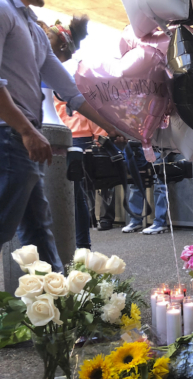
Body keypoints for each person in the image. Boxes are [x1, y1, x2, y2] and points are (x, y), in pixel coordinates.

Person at [0, 0, 118, 272]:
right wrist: (27, 131)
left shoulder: (34, 28)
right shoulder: (4, 11)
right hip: (9, 135)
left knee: (39, 231)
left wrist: (112, 126)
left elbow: (71, 92)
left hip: (23, 136)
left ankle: (58, 306)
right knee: (7, 224)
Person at [43, 16, 101, 247]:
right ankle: (81, 251)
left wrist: (107, 129)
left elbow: (78, 100)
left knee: (71, 198)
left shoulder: (57, 66)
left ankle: (80, 250)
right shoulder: (47, 63)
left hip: (61, 135)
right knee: (72, 198)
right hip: (57, 133)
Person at [121, 143, 169, 235]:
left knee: (160, 184)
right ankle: (135, 220)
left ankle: (160, 222)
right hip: (139, 145)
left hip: (157, 145)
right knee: (136, 183)